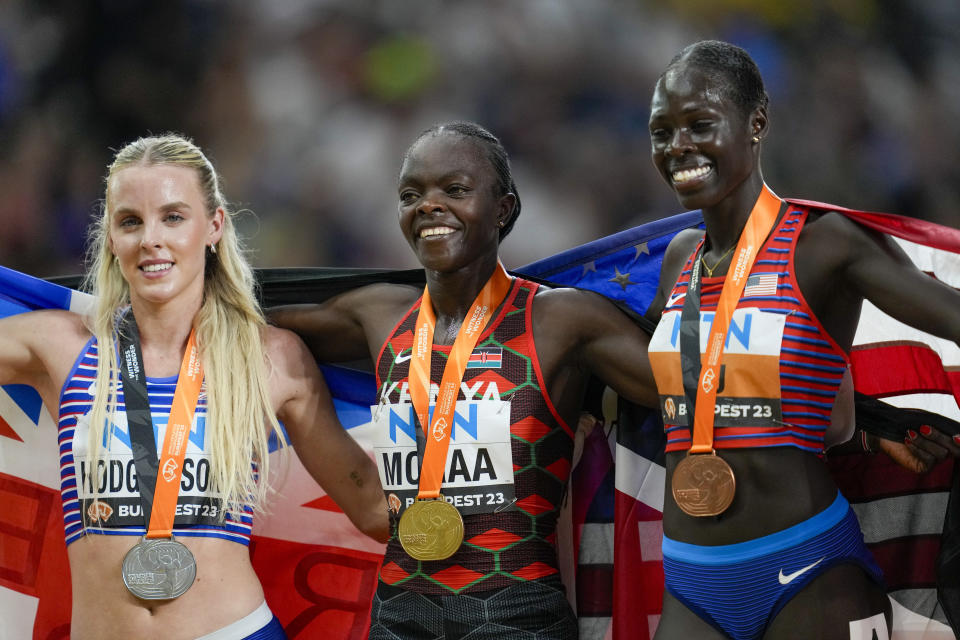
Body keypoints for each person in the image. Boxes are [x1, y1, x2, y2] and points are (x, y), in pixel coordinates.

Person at [269, 121, 660, 639]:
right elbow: (255, 326)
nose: (428, 205)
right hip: (399, 612)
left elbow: (688, 392)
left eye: (454, 190)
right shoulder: (379, 314)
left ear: (504, 208)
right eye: (412, 194)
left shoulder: (561, 320)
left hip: (517, 613)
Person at [0, 134, 388, 640]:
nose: (151, 239)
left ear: (214, 226)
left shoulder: (270, 358)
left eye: (173, 217)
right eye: (131, 221)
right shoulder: (59, 347)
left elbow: (373, 510)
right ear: (112, 239)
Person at [644, 40, 960, 640]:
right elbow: (677, 385)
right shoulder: (679, 260)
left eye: (699, 124)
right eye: (662, 131)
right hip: (691, 578)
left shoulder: (825, 245)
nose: (678, 146)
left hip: (809, 567)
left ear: (756, 122)